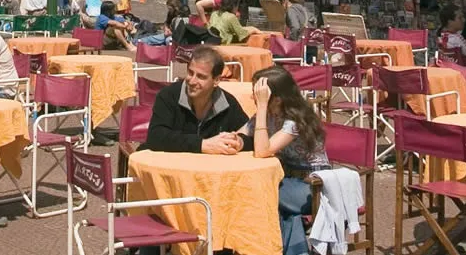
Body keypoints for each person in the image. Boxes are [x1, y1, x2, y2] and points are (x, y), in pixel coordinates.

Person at [250, 66, 335, 255]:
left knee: (261, 193)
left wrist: (262, 106)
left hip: (313, 186)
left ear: (277, 99)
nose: (253, 98)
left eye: (259, 94)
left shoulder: (295, 121)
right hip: (288, 182)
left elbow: (262, 151)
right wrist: (232, 140)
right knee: (290, 215)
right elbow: (243, 133)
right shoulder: (270, 115)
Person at [143, 46, 252, 154]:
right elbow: (156, 137)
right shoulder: (168, 95)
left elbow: (251, 136)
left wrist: (239, 142)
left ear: (216, 80)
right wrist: (202, 145)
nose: (192, 81)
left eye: (201, 77)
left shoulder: (228, 104)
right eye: (190, 73)